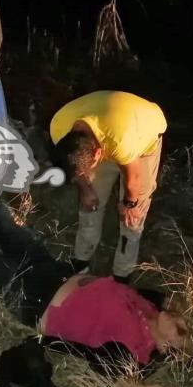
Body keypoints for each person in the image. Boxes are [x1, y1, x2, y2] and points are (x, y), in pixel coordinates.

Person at [0, 203, 190, 374]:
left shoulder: (134, 350)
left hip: (34, 301)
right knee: (0, 217)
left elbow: (119, 378)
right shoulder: (152, 307)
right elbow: (174, 295)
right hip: (53, 271)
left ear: (165, 348)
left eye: (180, 330)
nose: (179, 320)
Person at [49, 91, 167, 282]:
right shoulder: (59, 129)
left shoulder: (123, 140)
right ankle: (80, 262)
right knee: (89, 205)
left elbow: (134, 176)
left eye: (87, 169)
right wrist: (85, 189)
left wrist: (129, 204)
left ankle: (122, 274)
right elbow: (73, 168)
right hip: (107, 128)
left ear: (97, 153)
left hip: (143, 135)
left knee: (132, 219)